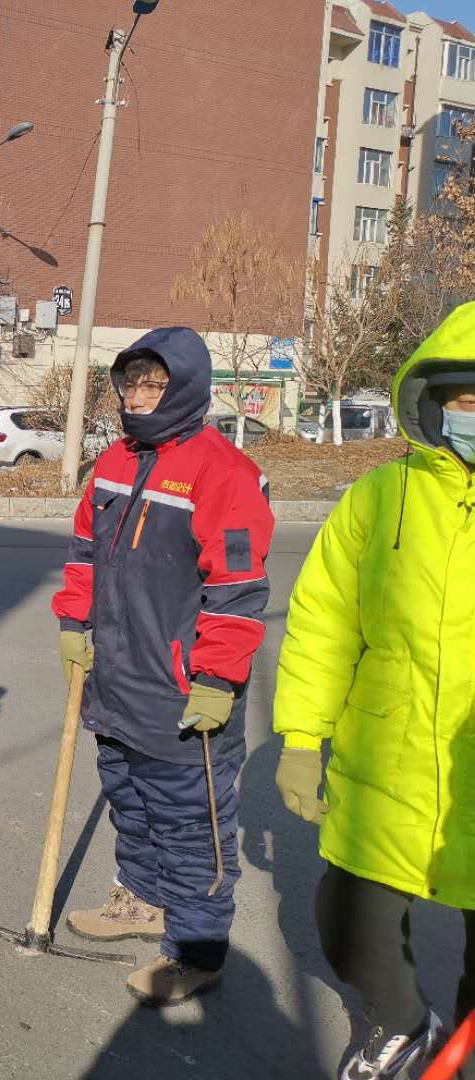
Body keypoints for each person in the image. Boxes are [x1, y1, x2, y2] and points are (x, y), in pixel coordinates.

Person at [273, 304, 475, 1080]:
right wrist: (301, 737)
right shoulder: (379, 498)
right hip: (384, 758)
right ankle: (402, 1022)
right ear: (431, 402)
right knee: (346, 922)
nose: (472, 414)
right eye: (461, 398)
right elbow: (324, 620)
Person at [52, 327, 274, 1006]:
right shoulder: (114, 464)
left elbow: (238, 588)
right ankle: (142, 901)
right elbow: (85, 553)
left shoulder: (223, 472)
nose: (140, 396)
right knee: (129, 799)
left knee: (190, 826)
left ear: (185, 388)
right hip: (116, 681)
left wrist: (218, 677)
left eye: (155, 384)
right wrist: (73, 623)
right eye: (132, 383)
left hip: (184, 690)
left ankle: (195, 950)